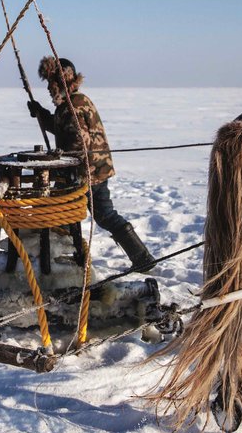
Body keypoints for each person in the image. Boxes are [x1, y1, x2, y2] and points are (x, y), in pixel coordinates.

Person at [28, 56, 156, 273]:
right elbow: (64, 129)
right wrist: (41, 113)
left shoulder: (73, 105)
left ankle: (140, 259)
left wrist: (67, 164)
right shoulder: (72, 103)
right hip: (93, 169)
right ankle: (140, 258)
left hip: (88, 172)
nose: (49, 89)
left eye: (52, 84)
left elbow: (78, 142)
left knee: (79, 213)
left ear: (62, 82)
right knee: (90, 214)